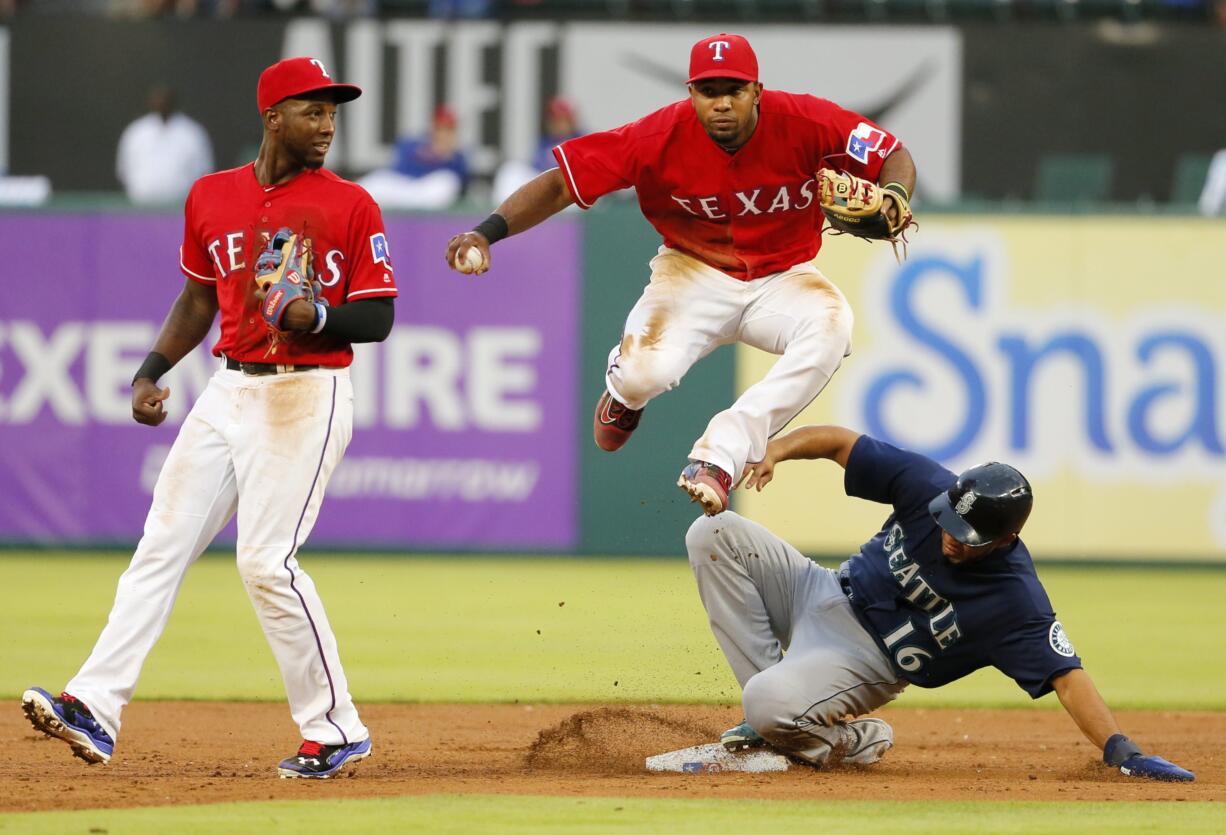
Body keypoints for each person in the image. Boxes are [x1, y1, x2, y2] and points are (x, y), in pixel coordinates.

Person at [22, 56, 398, 780]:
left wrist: (317, 312)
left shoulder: (351, 204)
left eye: (331, 112)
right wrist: (151, 370)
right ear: (271, 117)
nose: (325, 125)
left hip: (306, 390)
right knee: (160, 544)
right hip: (227, 389)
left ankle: (336, 726)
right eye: (310, 110)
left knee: (264, 562)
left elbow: (378, 316)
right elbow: (199, 300)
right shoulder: (210, 196)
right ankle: (94, 706)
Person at [445, 33, 915, 516]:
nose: (722, 103)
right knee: (646, 373)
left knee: (833, 326)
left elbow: (892, 153)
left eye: (734, 89)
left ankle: (719, 455)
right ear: (691, 94)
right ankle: (623, 391)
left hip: (783, 275)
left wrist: (896, 194)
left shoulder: (808, 121)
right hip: (692, 271)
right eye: (709, 91)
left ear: (757, 89)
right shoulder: (655, 137)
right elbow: (562, 185)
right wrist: (487, 232)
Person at [684, 424, 1195, 782]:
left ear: (1006, 538)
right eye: (950, 522)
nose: (952, 537)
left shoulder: (1015, 600)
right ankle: (779, 714)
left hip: (863, 659)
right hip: (818, 587)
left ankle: (851, 739)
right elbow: (841, 444)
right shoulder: (929, 485)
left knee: (769, 702)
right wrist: (777, 449)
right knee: (715, 533)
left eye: (968, 537)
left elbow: (1067, 676)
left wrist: (1122, 750)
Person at [115, 84, 214, 205]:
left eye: (165, 98)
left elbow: (203, 170)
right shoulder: (136, 132)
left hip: (180, 208)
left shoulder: (192, 133)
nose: (161, 102)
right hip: (140, 207)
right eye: (158, 98)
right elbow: (123, 168)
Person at [359, 105, 469, 210]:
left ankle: (410, 209)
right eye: (440, 128)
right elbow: (398, 169)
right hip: (402, 187)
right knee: (374, 182)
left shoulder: (457, 157)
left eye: (448, 129)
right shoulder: (414, 143)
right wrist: (430, 155)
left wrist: (446, 158)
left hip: (426, 193)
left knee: (447, 182)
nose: (444, 133)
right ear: (433, 127)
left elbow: (461, 186)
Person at [493, 96, 584, 204]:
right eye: (553, 119)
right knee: (510, 169)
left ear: (571, 121)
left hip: (570, 192)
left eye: (561, 119)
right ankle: (502, 214)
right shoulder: (545, 142)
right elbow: (536, 167)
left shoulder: (582, 140)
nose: (556, 124)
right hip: (547, 187)